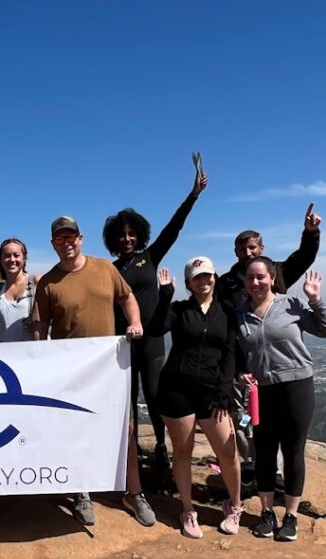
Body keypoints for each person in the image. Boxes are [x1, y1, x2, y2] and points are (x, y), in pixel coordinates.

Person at [31, 215, 153, 527]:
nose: (67, 243)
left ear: (81, 238)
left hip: (109, 367)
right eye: (60, 239)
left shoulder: (105, 269)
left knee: (125, 430)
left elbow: (127, 298)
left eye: (71, 237)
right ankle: (81, 491)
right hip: (70, 372)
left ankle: (134, 493)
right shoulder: (48, 282)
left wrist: (135, 322)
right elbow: (40, 326)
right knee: (77, 430)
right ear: (53, 244)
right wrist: (39, 359)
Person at [103, 158, 208, 469]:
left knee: (153, 394)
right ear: (113, 240)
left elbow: (174, 228)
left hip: (151, 340)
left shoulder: (149, 257)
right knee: (126, 397)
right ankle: (131, 446)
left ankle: (161, 445)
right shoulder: (110, 269)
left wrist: (192, 196)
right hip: (123, 341)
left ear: (139, 235)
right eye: (121, 235)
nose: (126, 239)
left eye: (131, 234)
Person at [218, 204, 323, 486]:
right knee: (242, 414)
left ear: (261, 248)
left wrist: (311, 233)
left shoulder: (277, 272)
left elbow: (303, 257)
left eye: (252, 247)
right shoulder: (225, 283)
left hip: (276, 362)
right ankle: (250, 465)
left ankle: (273, 474)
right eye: (243, 249)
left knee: (273, 419)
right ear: (236, 252)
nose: (248, 252)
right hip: (241, 357)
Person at [236, 259, 326, 542]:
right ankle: (267, 513)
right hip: (261, 390)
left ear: (272, 278)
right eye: (250, 277)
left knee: (293, 451)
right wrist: (241, 373)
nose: (255, 282)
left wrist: (315, 300)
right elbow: (237, 352)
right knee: (264, 451)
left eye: (261, 277)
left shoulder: (291, 304)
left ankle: (291, 516)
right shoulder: (240, 313)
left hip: (296, 386)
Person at [150, 259, 243, 537]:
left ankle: (235, 505)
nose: (203, 282)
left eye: (207, 276)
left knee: (228, 451)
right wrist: (164, 296)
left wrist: (223, 390)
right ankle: (188, 510)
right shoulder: (179, 310)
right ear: (188, 283)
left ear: (214, 278)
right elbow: (155, 329)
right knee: (183, 451)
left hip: (212, 392)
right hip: (176, 389)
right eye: (197, 278)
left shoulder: (226, 312)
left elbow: (230, 353)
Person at [0, 238, 40, 343]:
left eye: (16, 255)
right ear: (0, 260)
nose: (12, 259)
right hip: (6, 351)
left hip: (34, 351)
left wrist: (41, 320)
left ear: (24, 258)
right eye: (7, 256)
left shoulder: (36, 282)